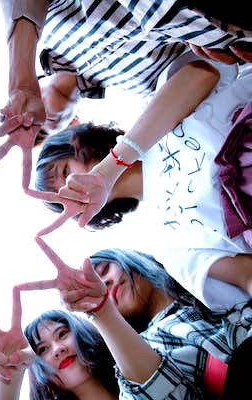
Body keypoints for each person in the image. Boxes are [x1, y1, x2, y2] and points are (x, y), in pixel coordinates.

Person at [29, 52, 252, 310]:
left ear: (78, 144)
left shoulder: (151, 112)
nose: (73, 189)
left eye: (65, 172)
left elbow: (204, 74)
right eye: (64, 199)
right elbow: (245, 274)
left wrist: (107, 170)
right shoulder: (165, 244)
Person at [0, 0, 252, 188]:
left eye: (32, 122)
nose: (43, 123)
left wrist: (22, 84)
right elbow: (206, 68)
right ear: (72, 124)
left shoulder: (49, 24)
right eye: (45, 132)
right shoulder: (142, 88)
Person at [18, 238, 252, 400]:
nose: (106, 284)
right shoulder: (152, 346)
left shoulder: (191, 262)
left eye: (105, 271)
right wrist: (101, 310)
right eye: (43, 349)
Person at [0, 288, 117, 399]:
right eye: (43, 349)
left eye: (62, 334)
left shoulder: (135, 368)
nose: (58, 349)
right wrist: (10, 373)